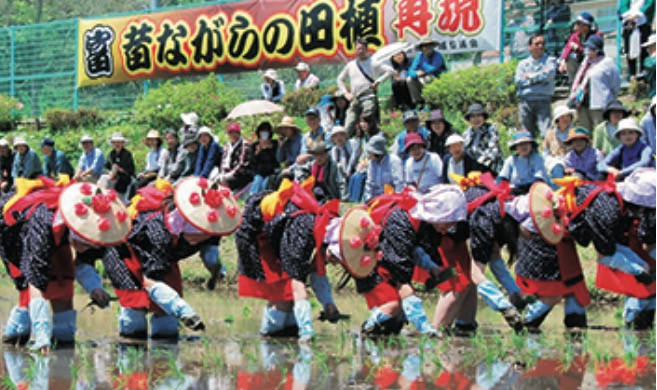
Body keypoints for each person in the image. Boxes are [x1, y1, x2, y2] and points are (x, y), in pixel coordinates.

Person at [236, 178, 341, 341]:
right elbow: (298, 283)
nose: (334, 263)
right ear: (330, 248)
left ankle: (286, 331)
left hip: (280, 231)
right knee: (282, 295)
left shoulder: (326, 226)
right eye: (334, 258)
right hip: (258, 232)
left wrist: (328, 304)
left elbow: (316, 270)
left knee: (288, 297)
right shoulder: (302, 234)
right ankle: (269, 335)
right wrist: (307, 331)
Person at [357, 185, 466, 337]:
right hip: (372, 264)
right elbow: (401, 276)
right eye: (448, 222)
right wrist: (425, 328)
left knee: (396, 321)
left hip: (389, 262)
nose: (448, 228)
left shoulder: (422, 222)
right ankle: (364, 334)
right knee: (393, 308)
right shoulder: (401, 222)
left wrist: (433, 268)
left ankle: (379, 347)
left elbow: (415, 249)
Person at [505, 183, 590, 333]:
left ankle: (573, 326)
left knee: (570, 290)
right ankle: (526, 321)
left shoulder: (530, 216)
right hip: (551, 258)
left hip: (552, 256)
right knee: (555, 293)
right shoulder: (544, 222)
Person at [337, 38, 392, 135]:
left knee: (367, 120)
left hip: (368, 97)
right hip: (355, 99)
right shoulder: (351, 65)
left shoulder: (373, 62)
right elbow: (340, 79)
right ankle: (344, 146)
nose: (360, 51)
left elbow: (389, 71)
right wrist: (345, 93)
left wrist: (378, 81)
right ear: (355, 50)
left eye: (362, 48)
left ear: (366, 50)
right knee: (348, 125)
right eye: (358, 49)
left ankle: (370, 141)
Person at [569, 35, 621, 132]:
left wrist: (611, 97)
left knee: (600, 130)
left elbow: (616, 83)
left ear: (596, 50)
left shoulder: (607, 63)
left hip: (599, 104)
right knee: (584, 130)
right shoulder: (586, 62)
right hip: (582, 102)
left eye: (589, 48)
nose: (587, 50)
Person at [515, 34, 557, 137]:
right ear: (530, 47)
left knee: (545, 132)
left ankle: (546, 152)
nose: (540, 46)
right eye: (537, 44)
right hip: (525, 101)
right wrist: (539, 79)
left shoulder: (550, 61)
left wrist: (529, 77)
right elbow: (518, 81)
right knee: (527, 134)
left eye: (542, 44)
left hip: (543, 99)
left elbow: (548, 76)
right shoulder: (522, 64)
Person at [558, 12, 601, 83]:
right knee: (569, 60)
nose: (575, 25)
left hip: (592, 63)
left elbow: (593, 53)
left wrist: (579, 49)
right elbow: (567, 47)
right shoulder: (575, 35)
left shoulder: (596, 36)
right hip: (580, 61)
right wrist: (563, 60)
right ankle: (573, 84)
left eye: (578, 23)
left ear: (585, 26)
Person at [462, 103, 503, 175]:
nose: (476, 119)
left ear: (483, 117)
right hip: (472, 168)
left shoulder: (491, 129)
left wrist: (479, 163)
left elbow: (494, 152)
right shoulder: (467, 133)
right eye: (473, 117)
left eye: (478, 116)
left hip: (490, 167)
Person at [407, 37, 447, 108]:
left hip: (437, 77)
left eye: (429, 45)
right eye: (424, 46)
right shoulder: (419, 56)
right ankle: (419, 102)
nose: (427, 48)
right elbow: (411, 70)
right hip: (422, 76)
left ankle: (431, 101)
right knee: (409, 79)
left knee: (428, 78)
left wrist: (423, 71)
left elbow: (433, 68)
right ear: (421, 48)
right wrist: (416, 74)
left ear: (432, 46)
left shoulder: (438, 55)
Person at [363, 133, 404, 202]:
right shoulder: (372, 163)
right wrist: (369, 199)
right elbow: (370, 183)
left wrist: (397, 200)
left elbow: (399, 183)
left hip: (391, 197)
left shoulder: (394, 161)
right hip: (377, 197)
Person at [619, 0, 654, 78]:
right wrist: (628, 17)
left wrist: (638, 15)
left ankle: (644, 75)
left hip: (643, 23)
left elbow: (649, 4)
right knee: (629, 51)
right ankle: (632, 76)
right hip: (629, 22)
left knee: (644, 50)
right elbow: (623, 6)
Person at [213, 123, 252, 191]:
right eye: (231, 133)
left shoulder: (244, 145)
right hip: (229, 172)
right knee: (215, 180)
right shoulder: (227, 146)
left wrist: (229, 175)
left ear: (239, 133)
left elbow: (242, 164)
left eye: (235, 133)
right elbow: (223, 161)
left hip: (241, 174)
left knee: (224, 181)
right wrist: (222, 173)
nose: (233, 135)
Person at [542, 105, 577, 178]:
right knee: (556, 170)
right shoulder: (550, 134)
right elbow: (545, 153)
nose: (566, 119)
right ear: (557, 119)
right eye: (562, 117)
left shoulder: (575, 132)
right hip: (556, 161)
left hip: (573, 160)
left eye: (568, 116)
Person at [98, 132, 135, 200]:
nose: (117, 144)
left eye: (119, 142)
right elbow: (105, 167)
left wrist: (120, 170)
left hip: (124, 179)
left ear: (122, 143)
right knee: (103, 178)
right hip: (113, 178)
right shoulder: (111, 154)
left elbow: (131, 171)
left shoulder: (127, 154)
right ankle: (100, 197)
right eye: (115, 142)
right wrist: (110, 172)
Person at [250, 122, 279, 195]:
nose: (264, 134)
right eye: (262, 131)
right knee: (257, 181)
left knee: (266, 184)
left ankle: (263, 200)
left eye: (266, 132)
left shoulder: (275, 144)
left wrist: (270, 148)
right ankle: (251, 200)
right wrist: (257, 152)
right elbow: (252, 163)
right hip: (259, 173)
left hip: (271, 173)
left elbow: (278, 160)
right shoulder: (255, 146)